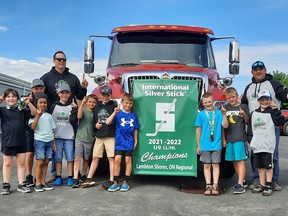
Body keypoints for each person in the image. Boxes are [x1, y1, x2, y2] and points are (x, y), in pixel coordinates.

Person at [41, 50, 88, 183]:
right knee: (55, 150)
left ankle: (73, 174)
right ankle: (56, 174)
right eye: (59, 59)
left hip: (70, 116)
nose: (62, 61)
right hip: (52, 117)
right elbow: (40, 95)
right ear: (53, 60)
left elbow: (79, 95)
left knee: (70, 149)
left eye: (64, 59)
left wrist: (84, 88)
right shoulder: (46, 77)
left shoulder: (73, 78)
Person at [241, 60, 288, 191]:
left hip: (271, 126)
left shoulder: (273, 84)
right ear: (252, 72)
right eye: (255, 70)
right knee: (255, 153)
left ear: (265, 70)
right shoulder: (248, 87)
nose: (258, 72)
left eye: (261, 69)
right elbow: (243, 104)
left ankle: (273, 180)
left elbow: (285, 95)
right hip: (255, 126)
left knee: (273, 153)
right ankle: (257, 179)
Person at [247, 90, 285, 196]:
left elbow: (280, 121)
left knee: (268, 166)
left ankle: (268, 184)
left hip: (268, 145)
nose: (264, 102)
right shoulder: (254, 113)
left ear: (270, 100)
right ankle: (262, 184)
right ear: (258, 101)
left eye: (267, 99)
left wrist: (275, 109)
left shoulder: (272, 112)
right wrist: (251, 140)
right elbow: (250, 129)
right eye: (262, 99)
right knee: (259, 166)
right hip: (257, 145)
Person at [0, 88, 37, 195]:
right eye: (8, 96)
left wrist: (28, 103)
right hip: (7, 141)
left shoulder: (22, 110)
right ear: (5, 98)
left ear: (17, 98)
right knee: (7, 164)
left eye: (13, 96)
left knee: (21, 164)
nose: (11, 98)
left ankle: (21, 184)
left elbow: (34, 112)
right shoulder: (2, 110)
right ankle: (6, 184)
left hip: (21, 140)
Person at [81, 85, 117, 190]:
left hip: (110, 135)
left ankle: (112, 179)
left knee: (111, 158)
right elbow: (93, 121)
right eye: (103, 95)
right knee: (95, 157)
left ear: (110, 95)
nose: (105, 97)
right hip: (99, 136)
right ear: (100, 95)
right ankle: (89, 178)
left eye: (107, 95)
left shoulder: (113, 105)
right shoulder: (97, 107)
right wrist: (95, 125)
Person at [195, 93, 228, 196]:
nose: (208, 104)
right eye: (205, 102)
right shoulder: (200, 114)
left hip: (216, 144)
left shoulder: (218, 113)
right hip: (204, 144)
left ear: (213, 101)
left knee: (215, 164)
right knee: (207, 165)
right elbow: (198, 130)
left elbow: (225, 126)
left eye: (209, 102)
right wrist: (198, 145)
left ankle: (215, 185)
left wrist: (224, 115)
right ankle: (208, 185)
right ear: (202, 103)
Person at [105, 93, 140, 192]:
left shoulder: (134, 115)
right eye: (126, 103)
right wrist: (114, 113)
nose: (128, 105)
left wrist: (136, 140)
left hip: (129, 141)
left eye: (130, 103)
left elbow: (136, 129)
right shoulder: (118, 114)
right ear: (122, 102)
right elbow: (107, 122)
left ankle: (126, 182)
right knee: (117, 160)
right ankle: (115, 182)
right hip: (119, 141)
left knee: (128, 161)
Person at [222, 87, 249, 194]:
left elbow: (247, 122)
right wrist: (224, 139)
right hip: (229, 139)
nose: (231, 99)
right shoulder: (225, 108)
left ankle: (240, 185)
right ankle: (241, 180)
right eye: (229, 98)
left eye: (233, 97)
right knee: (233, 160)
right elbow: (223, 126)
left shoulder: (243, 107)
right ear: (226, 98)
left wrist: (244, 115)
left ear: (237, 96)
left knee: (240, 160)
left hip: (239, 138)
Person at [50, 83, 78, 187]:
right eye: (62, 92)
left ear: (70, 94)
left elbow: (73, 121)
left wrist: (74, 110)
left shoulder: (72, 106)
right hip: (57, 136)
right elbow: (51, 122)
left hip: (69, 136)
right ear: (58, 93)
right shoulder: (54, 106)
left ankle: (70, 176)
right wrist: (52, 138)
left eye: (67, 93)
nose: (64, 95)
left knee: (70, 157)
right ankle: (58, 176)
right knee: (58, 158)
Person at [29, 93, 56, 192]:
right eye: (40, 102)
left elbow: (52, 130)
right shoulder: (34, 114)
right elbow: (33, 127)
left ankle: (43, 182)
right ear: (36, 103)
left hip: (49, 141)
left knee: (46, 162)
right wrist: (38, 117)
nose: (43, 104)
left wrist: (54, 142)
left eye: (44, 103)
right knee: (40, 161)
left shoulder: (49, 115)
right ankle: (38, 183)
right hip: (40, 141)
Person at [72, 94, 98, 188]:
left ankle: (83, 175)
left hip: (90, 139)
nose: (91, 104)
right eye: (90, 102)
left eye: (94, 102)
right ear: (87, 102)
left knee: (86, 158)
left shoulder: (95, 113)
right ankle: (75, 178)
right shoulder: (83, 110)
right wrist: (82, 104)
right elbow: (79, 116)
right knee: (77, 158)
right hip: (80, 138)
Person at [25, 79, 46, 187]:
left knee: (41, 156)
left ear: (44, 89)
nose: (38, 90)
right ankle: (28, 175)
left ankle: (39, 177)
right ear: (31, 89)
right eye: (36, 88)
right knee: (30, 153)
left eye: (40, 88)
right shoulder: (26, 99)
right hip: (29, 130)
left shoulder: (45, 99)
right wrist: (28, 102)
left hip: (42, 130)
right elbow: (33, 112)